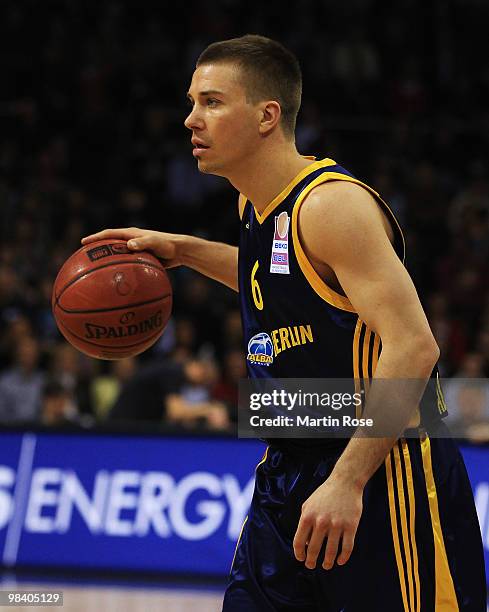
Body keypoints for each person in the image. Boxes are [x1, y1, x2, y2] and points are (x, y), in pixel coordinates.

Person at [82, 35, 486, 611]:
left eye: (212, 102)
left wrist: (347, 480)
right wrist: (185, 249)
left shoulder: (330, 207)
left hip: (382, 470)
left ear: (267, 115)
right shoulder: (254, 205)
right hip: (288, 465)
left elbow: (414, 346)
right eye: (193, 101)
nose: (191, 118)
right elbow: (279, 276)